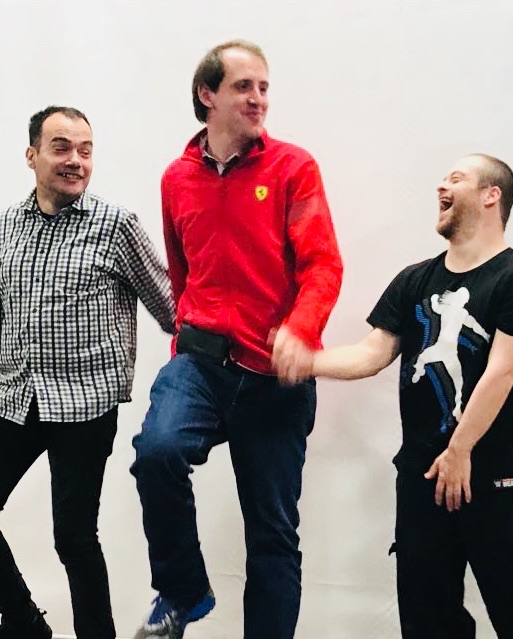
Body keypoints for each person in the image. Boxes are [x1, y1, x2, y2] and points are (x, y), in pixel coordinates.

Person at [285, 154, 513, 638]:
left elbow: (502, 372)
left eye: (456, 179)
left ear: (491, 196)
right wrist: (307, 361)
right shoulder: (415, 280)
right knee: (427, 620)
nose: (441, 186)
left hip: (495, 474)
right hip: (422, 475)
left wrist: (460, 449)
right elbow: (373, 352)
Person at [130, 40, 342, 639]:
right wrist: (186, 334)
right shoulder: (177, 178)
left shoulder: (293, 168)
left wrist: (301, 330)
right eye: (244, 86)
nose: (258, 99)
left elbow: (323, 265)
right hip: (199, 363)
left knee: (272, 532)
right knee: (157, 454)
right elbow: (181, 272)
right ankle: (182, 592)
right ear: (208, 95)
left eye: (264, 88)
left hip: (275, 379)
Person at [0, 106, 175, 639]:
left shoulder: (116, 226)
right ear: (32, 155)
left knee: (73, 538)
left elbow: (171, 306)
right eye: (61, 147)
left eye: (85, 150)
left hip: (85, 404)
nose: (75, 160)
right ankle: (25, 625)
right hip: (16, 395)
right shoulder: (7, 225)